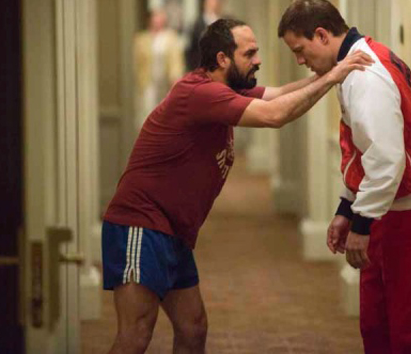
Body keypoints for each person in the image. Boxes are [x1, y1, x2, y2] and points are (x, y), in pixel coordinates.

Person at [102, 18, 373, 354]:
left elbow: (278, 95)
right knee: (136, 334)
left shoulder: (225, 89)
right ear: (222, 59)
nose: (258, 60)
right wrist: (334, 76)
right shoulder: (199, 93)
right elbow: (275, 115)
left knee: (193, 328)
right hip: (140, 224)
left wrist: (326, 73)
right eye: (250, 53)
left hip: (173, 230)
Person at [278, 0, 411, 354]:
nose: (299, 60)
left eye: (300, 50)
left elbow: (387, 160)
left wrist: (362, 223)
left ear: (322, 35)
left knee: (410, 336)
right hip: (389, 211)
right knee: (377, 328)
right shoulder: (356, 63)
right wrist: (346, 207)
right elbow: (363, 153)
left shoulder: (365, 73)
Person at [133, 8, 185, 127]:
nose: (158, 20)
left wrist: (175, 79)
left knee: (165, 113)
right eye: (155, 17)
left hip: (165, 81)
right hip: (147, 81)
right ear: (150, 19)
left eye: (160, 17)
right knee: (147, 111)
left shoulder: (171, 37)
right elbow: (136, 63)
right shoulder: (141, 38)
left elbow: (176, 60)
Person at [185, 0, 224, 71]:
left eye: (215, 2)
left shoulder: (223, 22)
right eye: (210, 1)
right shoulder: (196, 24)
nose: (213, 4)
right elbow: (191, 49)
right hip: (201, 67)